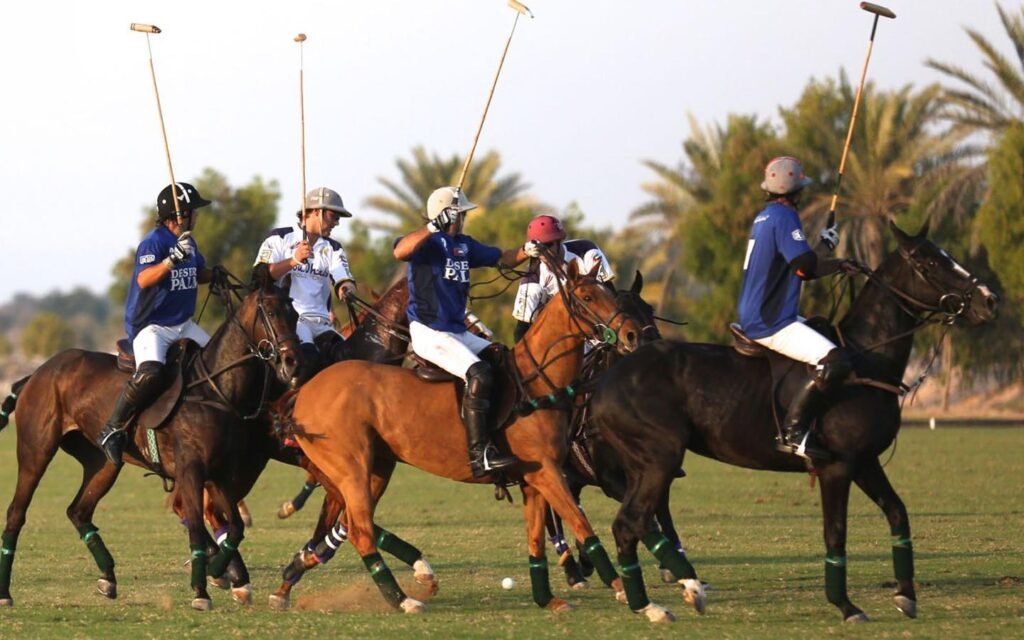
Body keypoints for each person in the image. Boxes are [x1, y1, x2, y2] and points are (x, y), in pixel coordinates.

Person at [392, 186, 536, 478]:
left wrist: (527, 250)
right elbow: (400, 251)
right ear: (448, 214)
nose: (465, 220)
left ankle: (505, 437)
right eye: (462, 214)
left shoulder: (464, 245)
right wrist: (433, 226)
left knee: (504, 360)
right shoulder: (428, 244)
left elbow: (503, 258)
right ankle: (479, 454)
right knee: (479, 373)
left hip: (457, 331)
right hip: (430, 331)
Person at [736, 156, 857, 461]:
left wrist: (825, 248)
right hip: (771, 320)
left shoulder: (766, 216)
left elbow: (799, 261)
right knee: (835, 360)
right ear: (795, 190)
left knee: (823, 333)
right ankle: (793, 432)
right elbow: (805, 269)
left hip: (759, 313)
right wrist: (838, 263)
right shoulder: (785, 217)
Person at [98, 182, 215, 466]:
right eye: (192, 213)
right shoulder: (154, 242)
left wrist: (216, 275)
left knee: (217, 362)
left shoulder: (189, 241)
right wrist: (172, 258)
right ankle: (112, 428)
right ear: (178, 215)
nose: (196, 218)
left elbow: (198, 274)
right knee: (151, 372)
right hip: (152, 326)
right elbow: (144, 279)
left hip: (183, 324)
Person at [254, 187, 357, 372]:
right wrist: (293, 260)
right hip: (291, 322)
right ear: (317, 211)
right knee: (309, 360)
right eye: (334, 216)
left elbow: (343, 278)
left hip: (322, 323)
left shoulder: (333, 247)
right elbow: (259, 277)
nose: (337, 223)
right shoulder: (279, 238)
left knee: (349, 358)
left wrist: (346, 288)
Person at [512, 214, 615, 342]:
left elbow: (609, 293)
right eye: (538, 248)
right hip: (562, 336)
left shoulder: (586, 251)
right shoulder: (532, 276)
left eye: (547, 245)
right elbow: (521, 329)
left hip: (601, 324)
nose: (543, 252)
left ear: (558, 241)